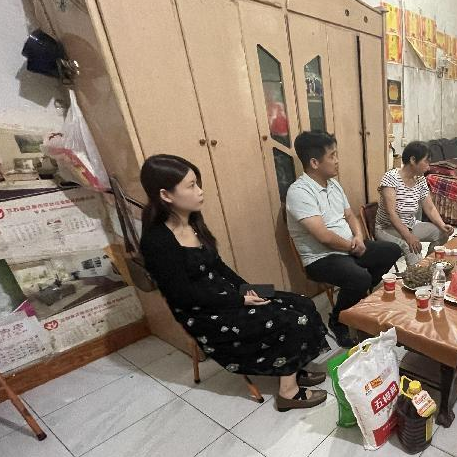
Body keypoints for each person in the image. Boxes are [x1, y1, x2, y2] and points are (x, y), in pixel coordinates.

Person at [139, 154, 329, 412]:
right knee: (290, 320)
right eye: (191, 186)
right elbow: (183, 296)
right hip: (205, 313)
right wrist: (240, 299)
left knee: (302, 303)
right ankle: (288, 393)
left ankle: (293, 368)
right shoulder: (157, 241)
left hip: (228, 293)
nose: (200, 191)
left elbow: (219, 266)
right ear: (166, 195)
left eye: (198, 183)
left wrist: (247, 289)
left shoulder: (193, 221)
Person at [286, 131, 402, 348]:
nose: (337, 160)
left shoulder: (333, 184)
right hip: (321, 258)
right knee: (359, 277)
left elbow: (350, 216)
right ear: (314, 162)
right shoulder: (299, 192)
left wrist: (358, 237)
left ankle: (360, 298)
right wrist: (351, 246)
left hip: (349, 247)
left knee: (393, 250)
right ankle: (338, 319)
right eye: (332, 156)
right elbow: (323, 236)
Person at [374, 141, 454, 266]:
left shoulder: (420, 179)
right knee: (411, 247)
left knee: (441, 233)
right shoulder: (391, 178)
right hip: (387, 228)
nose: (428, 167)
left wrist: (442, 225)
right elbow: (391, 214)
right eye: (426, 162)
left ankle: (428, 265)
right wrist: (408, 236)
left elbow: (430, 207)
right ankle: (419, 272)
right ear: (412, 160)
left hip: (410, 225)